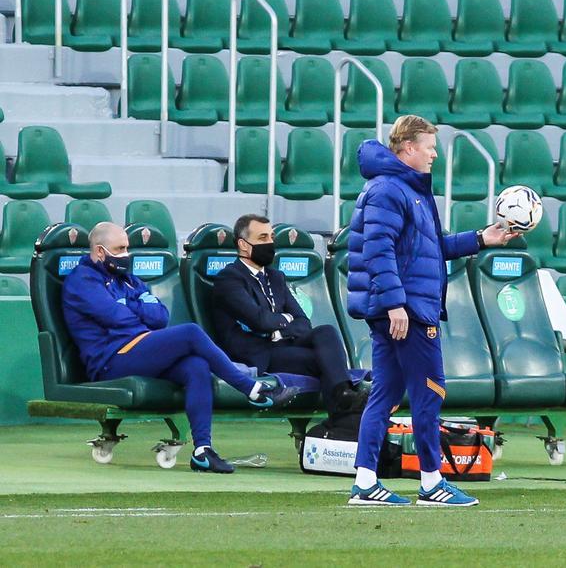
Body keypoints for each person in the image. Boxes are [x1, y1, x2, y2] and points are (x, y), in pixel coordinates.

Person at [346, 115, 518, 507]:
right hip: (406, 308)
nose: (434, 155)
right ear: (407, 147)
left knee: (385, 393)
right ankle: (431, 482)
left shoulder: (406, 189)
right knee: (429, 391)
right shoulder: (391, 190)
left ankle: (366, 481)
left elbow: (430, 247)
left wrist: (481, 238)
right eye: (429, 147)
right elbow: (378, 249)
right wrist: (395, 304)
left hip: (404, 305)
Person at [61, 222, 298, 474]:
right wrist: (136, 309)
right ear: (99, 252)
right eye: (119, 249)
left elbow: (160, 316)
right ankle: (251, 388)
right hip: (110, 360)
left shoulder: (128, 280)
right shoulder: (82, 280)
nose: (126, 255)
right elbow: (116, 318)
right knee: (191, 333)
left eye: (127, 248)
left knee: (196, 366)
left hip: (141, 348)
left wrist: (127, 304)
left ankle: (202, 451)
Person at [211, 214, 363, 415]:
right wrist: (285, 320)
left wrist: (278, 329)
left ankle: (342, 397)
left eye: (272, 237)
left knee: (325, 332)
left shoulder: (276, 277)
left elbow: (303, 322)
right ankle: (341, 410)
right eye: (263, 238)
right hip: (256, 354)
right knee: (321, 361)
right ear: (244, 245)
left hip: (284, 344)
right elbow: (259, 321)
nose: (271, 243)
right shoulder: (229, 279)